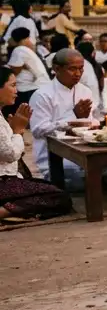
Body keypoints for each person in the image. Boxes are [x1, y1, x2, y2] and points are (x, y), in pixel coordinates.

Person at [30, 48, 107, 186]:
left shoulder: (85, 91)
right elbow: (38, 130)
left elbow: (90, 122)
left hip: (85, 152)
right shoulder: (42, 95)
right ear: (57, 68)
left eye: (81, 69)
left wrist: (99, 125)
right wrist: (72, 118)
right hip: (57, 158)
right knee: (78, 178)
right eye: (72, 69)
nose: (78, 74)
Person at [0, 68, 72, 222]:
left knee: (49, 188)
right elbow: (11, 154)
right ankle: (3, 211)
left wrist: (12, 131)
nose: (16, 91)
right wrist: (18, 131)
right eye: (12, 85)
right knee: (59, 197)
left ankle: (13, 210)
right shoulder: (43, 95)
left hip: (9, 179)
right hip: (3, 182)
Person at [5, 27, 49, 116]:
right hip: (37, 87)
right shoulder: (26, 50)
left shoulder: (19, 49)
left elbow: (14, 71)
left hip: (31, 89)